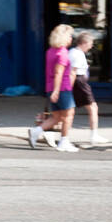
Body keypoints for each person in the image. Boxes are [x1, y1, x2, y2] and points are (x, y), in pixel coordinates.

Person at [28, 24, 79, 152]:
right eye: (69, 36)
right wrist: (57, 91)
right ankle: (64, 141)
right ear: (63, 37)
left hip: (50, 87)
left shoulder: (50, 51)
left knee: (56, 117)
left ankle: (36, 131)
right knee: (69, 115)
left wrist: (53, 91)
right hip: (62, 88)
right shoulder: (62, 53)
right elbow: (58, 73)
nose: (71, 39)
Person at [69, 32, 109, 146]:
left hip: (78, 82)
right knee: (93, 107)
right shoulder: (78, 54)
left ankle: (44, 130)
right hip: (79, 82)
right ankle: (94, 135)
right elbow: (73, 72)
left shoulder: (72, 52)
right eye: (90, 43)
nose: (91, 46)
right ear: (84, 43)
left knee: (68, 110)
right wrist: (68, 88)